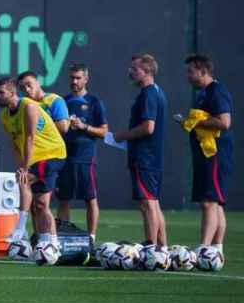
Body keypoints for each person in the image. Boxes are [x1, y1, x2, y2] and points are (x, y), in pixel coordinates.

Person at [0, 77, 64, 251]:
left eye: (1, 93)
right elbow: (15, 143)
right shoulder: (4, 116)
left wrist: (24, 169)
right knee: (41, 204)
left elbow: (29, 138)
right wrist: (21, 167)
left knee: (24, 181)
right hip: (36, 157)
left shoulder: (29, 106)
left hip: (51, 153)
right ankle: (51, 242)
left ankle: (20, 228)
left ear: (12, 92)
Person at [113, 54, 168, 255]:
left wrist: (122, 136)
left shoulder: (149, 94)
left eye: (134, 69)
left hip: (145, 157)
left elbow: (148, 128)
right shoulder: (156, 92)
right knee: (153, 201)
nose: (131, 72)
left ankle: (151, 247)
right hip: (150, 157)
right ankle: (162, 248)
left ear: (146, 71)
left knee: (147, 203)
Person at [182, 54, 232, 256]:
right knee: (215, 202)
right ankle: (216, 250)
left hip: (215, 154)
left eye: (191, 71)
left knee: (209, 202)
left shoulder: (216, 91)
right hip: (205, 153)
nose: (188, 75)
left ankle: (203, 248)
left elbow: (225, 122)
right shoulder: (203, 93)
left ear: (203, 71)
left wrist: (195, 122)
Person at [14, 71, 69, 241]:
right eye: (23, 88)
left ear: (38, 83)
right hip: (34, 158)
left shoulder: (53, 100)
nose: (27, 89)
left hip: (51, 155)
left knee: (40, 199)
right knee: (37, 204)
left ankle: (46, 239)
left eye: (30, 84)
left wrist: (40, 118)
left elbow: (64, 127)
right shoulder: (25, 106)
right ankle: (40, 238)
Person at [60, 63, 108, 241]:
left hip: (85, 158)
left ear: (86, 79)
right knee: (64, 198)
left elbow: (103, 131)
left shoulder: (94, 102)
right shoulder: (62, 102)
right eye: (72, 77)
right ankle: (63, 236)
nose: (74, 81)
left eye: (78, 78)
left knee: (90, 198)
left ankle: (91, 238)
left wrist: (84, 126)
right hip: (65, 157)